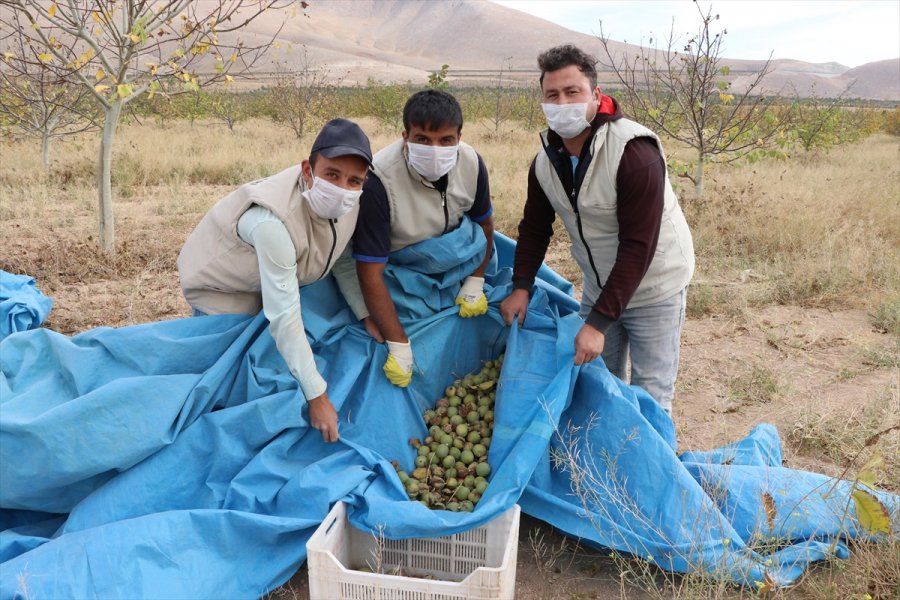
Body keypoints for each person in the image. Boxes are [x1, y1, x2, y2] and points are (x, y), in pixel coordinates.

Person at [500, 45, 695, 415]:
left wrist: (598, 323)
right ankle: (606, 468)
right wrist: (521, 285)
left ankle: (647, 468)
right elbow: (535, 228)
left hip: (655, 286)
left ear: (596, 96)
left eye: (573, 92)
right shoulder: (545, 162)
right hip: (600, 284)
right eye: (552, 95)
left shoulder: (634, 153)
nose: (562, 103)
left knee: (649, 397)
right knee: (598, 386)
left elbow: (639, 246)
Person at [177, 118, 373, 442]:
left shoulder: (350, 202)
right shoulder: (275, 222)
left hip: (271, 278)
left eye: (354, 180)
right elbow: (283, 315)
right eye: (332, 175)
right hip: (222, 287)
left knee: (269, 355)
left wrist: (366, 314)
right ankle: (208, 436)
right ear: (308, 171)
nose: (342, 188)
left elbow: (343, 259)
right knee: (222, 378)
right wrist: (317, 396)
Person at [341, 90, 495, 389]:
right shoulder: (380, 181)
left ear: (459, 138)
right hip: (404, 266)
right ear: (405, 136)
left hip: (459, 252)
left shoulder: (472, 163)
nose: (435, 149)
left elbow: (485, 225)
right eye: (423, 139)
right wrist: (399, 344)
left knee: (490, 312)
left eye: (446, 140)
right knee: (410, 325)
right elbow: (370, 271)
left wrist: (476, 280)